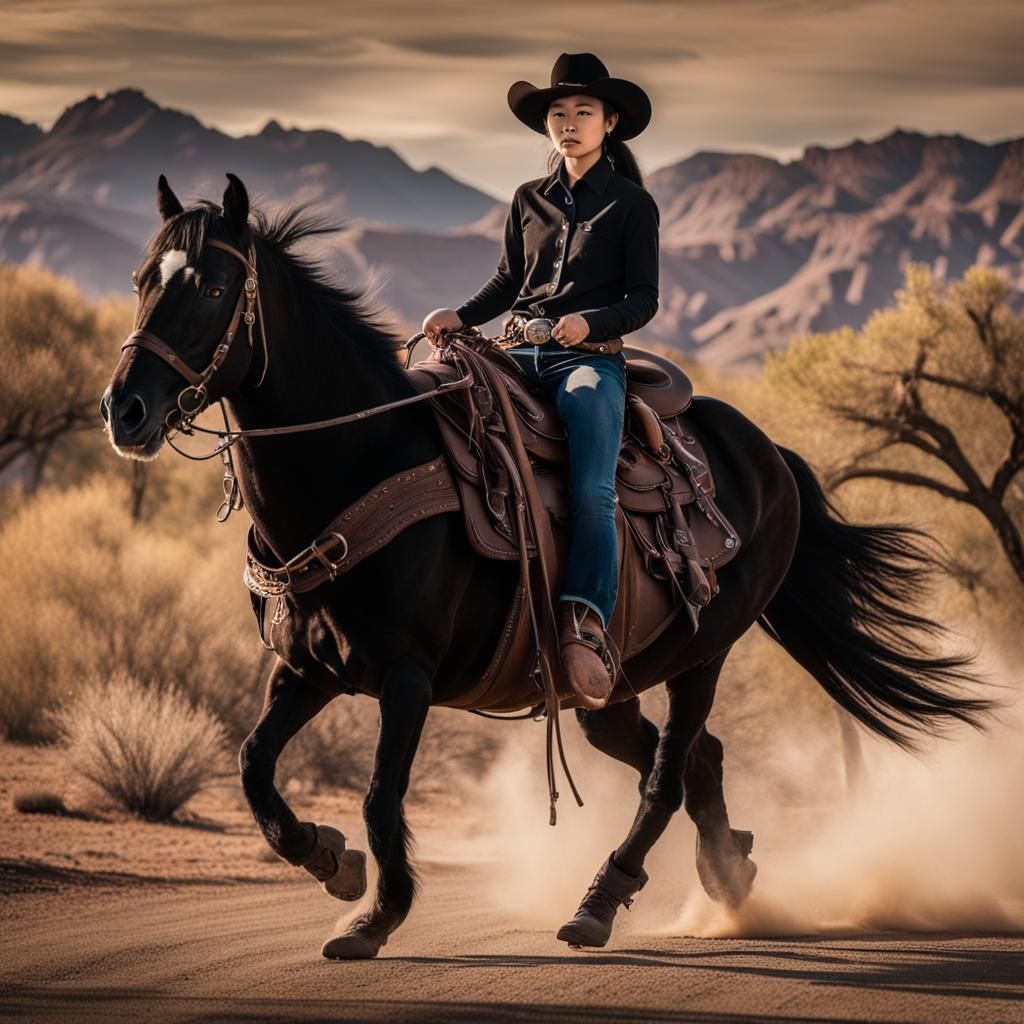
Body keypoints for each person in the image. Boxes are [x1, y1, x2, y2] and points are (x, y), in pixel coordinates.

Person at [423, 52, 659, 711]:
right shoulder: (528, 200)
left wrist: (589, 323)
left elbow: (645, 299)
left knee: (592, 485)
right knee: (432, 397)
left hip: (589, 361)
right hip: (515, 352)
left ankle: (585, 618)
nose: (569, 124)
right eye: (559, 114)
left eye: (584, 112)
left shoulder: (632, 206)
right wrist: (459, 315)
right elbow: (508, 283)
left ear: (610, 122)